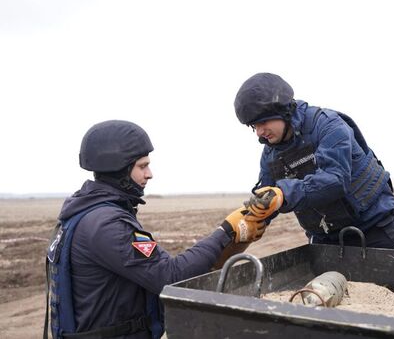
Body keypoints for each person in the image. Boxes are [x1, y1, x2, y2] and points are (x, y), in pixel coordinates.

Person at [44, 120, 275, 339]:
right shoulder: (106, 225)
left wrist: (233, 240)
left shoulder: (87, 214)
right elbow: (170, 275)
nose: (149, 174)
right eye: (142, 166)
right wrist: (225, 231)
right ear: (119, 169)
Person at [234, 72, 394, 251]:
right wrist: (246, 222)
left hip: (377, 228)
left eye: (263, 122)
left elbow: (335, 180)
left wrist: (284, 193)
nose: (259, 132)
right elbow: (267, 198)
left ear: (283, 112)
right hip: (325, 241)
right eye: (253, 126)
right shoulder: (270, 154)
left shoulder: (329, 125)